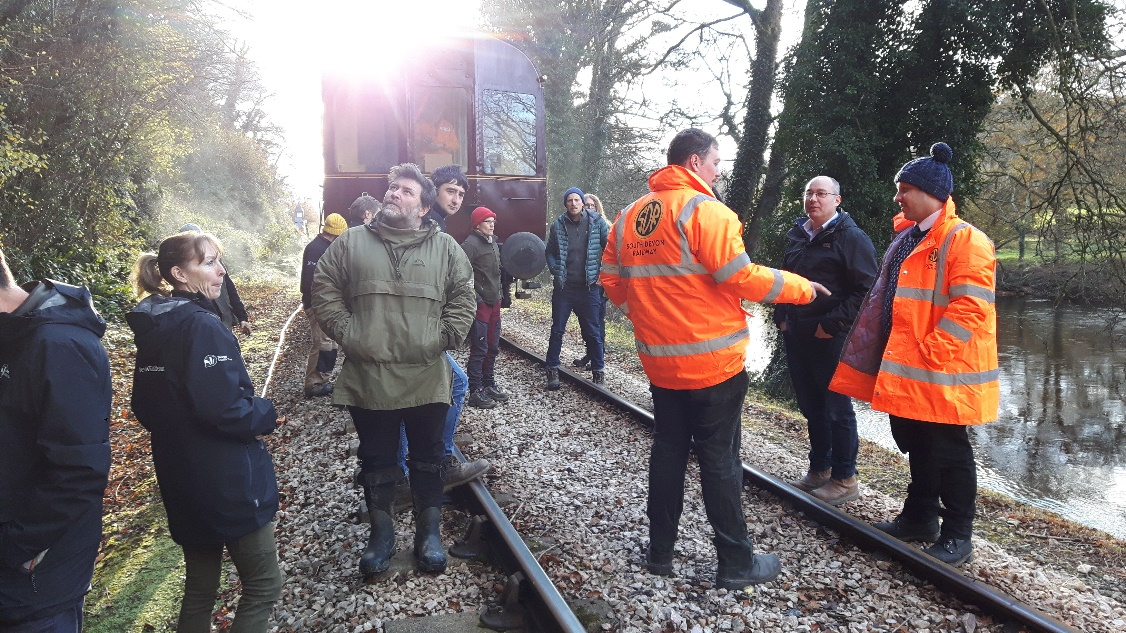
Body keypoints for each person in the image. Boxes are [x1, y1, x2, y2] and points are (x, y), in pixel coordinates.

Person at [600, 128, 828, 589]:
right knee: (719, 459)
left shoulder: (627, 217)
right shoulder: (707, 212)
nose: (718, 170)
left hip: (661, 364)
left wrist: (651, 315)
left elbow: (611, 282)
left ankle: (660, 553)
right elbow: (740, 276)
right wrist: (803, 289)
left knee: (667, 453)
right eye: (714, 162)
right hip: (713, 365)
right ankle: (736, 563)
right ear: (692, 162)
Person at [829, 142, 998, 567]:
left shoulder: (966, 240)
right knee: (918, 443)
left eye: (904, 189)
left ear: (930, 192)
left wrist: (931, 353)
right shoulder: (907, 236)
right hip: (906, 366)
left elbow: (972, 305)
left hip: (940, 370)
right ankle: (920, 517)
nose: (898, 196)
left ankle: (959, 535)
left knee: (950, 450)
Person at [311, 163, 476, 577]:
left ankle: (428, 535)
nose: (393, 194)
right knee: (377, 459)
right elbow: (323, 287)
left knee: (428, 459)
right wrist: (351, 334)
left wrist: (443, 337)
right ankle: (381, 537)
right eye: (392, 188)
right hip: (369, 378)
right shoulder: (350, 243)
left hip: (426, 375)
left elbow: (463, 296)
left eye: (404, 191)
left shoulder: (446, 248)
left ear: (422, 208)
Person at [128, 231, 282, 631]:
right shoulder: (202, 326)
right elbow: (225, 410)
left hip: (179, 475)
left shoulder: (155, 323)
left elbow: (143, 404)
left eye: (219, 260)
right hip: (226, 480)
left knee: (200, 587)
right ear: (180, 273)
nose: (221, 270)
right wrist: (264, 412)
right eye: (209, 262)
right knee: (264, 584)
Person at [0, 248, 111, 632]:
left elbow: (79, 469)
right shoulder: (10, 335)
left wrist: (16, 547)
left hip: (32, 581)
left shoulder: (58, 345)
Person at [774, 176, 877, 506]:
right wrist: (782, 317)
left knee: (836, 409)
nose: (813, 199)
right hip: (797, 333)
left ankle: (845, 478)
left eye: (821, 194)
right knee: (810, 405)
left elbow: (867, 290)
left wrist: (830, 325)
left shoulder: (851, 238)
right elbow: (787, 278)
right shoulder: (799, 235)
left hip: (831, 337)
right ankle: (819, 468)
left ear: (837, 199)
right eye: (809, 193)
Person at [545, 187, 610, 388]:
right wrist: (555, 268)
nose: (573, 203)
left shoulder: (597, 223)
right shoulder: (557, 226)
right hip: (565, 289)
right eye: (569, 200)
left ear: (583, 202)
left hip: (589, 287)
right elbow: (550, 252)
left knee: (593, 331)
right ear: (565, 204)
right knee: (557, 330)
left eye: (576, 200)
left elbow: (610, 248)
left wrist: (604, 274)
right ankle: (552, 371)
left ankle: (599, 373)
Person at [461, 207, 508, 409]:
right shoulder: (470, 245)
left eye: (493, 221)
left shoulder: (494, 244)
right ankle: (475, 390)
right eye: (487, 222)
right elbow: (461, 276)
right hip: (481, 305)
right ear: (477, 224)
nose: (492, 225)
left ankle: (489, 384)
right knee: (479, 348)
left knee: (493, 345)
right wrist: (477, 298)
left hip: (495, 302)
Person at [300, 213, 347, 398]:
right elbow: (309, 282)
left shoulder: (324, 247)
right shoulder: (316, 249)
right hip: (318, 304)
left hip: (326, 303)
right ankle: (313, 383)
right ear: (335, 234)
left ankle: (322, 379)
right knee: (323, 343)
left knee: (330, 343)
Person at [179, 223, 251, 336]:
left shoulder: (216, 263)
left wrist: (242, 317)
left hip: (222, 320)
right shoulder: (184, 271)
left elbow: (230, 289)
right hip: (202, 327)